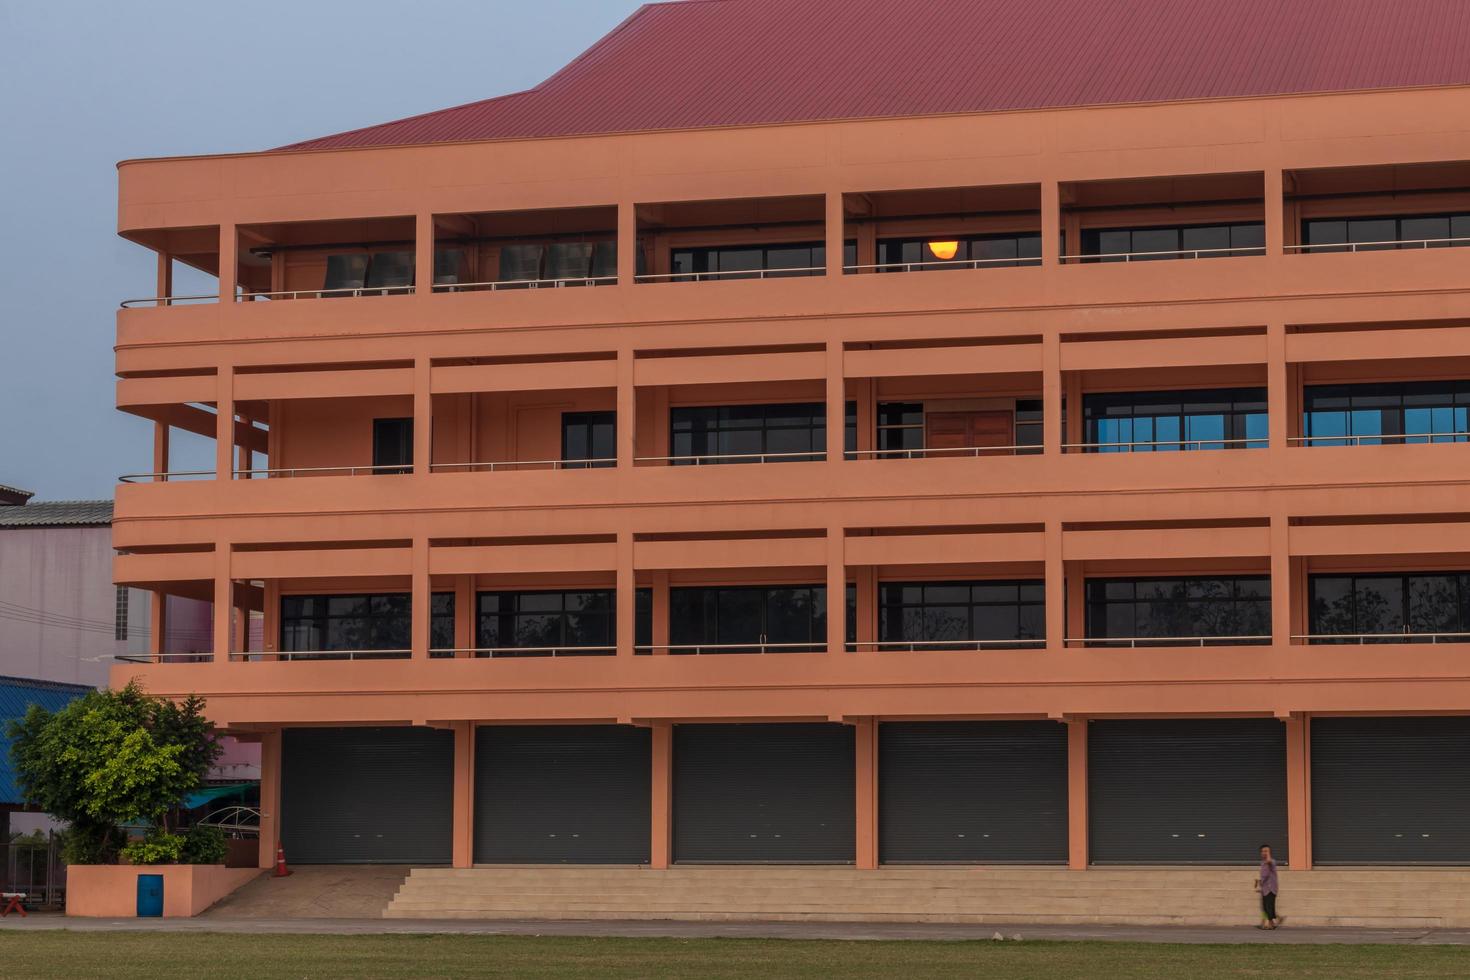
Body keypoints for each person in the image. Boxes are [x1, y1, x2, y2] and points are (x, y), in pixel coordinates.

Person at [1254, 843, 1283, 929]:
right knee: (1266, 907)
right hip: (1264, 889)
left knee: (1269, 907)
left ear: (1269, 852)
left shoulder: (1272, 861)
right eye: (1263, 851)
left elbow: (1269, 861)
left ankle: (1271, 923)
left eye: (1266, 851)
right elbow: (1265, 876)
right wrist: (1259, 882)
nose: (1264, 853)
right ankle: (1272, 923)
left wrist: (1268, 854)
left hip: (1271, 889)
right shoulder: (1262, 863)